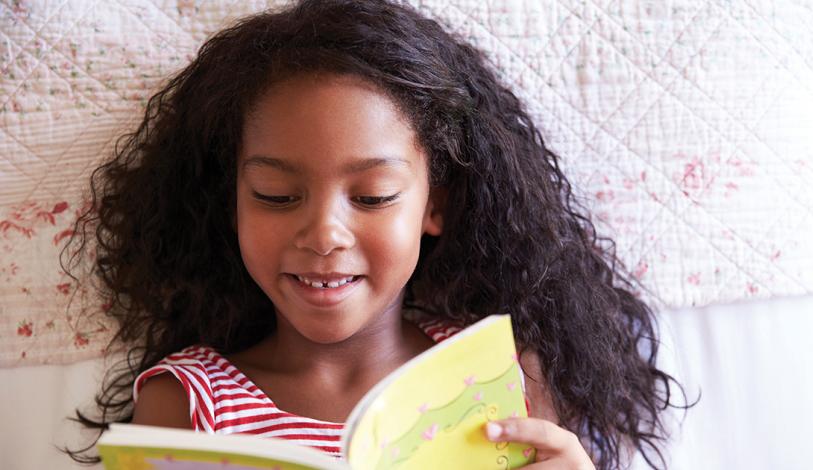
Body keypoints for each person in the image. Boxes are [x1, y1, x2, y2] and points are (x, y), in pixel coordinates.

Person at [64, 1, 692, 468]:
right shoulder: (188, 403)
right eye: (276, 196)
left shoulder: (502, 378)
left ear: (434, 205)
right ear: (230, 203)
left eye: (372, 197)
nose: (324, 234)